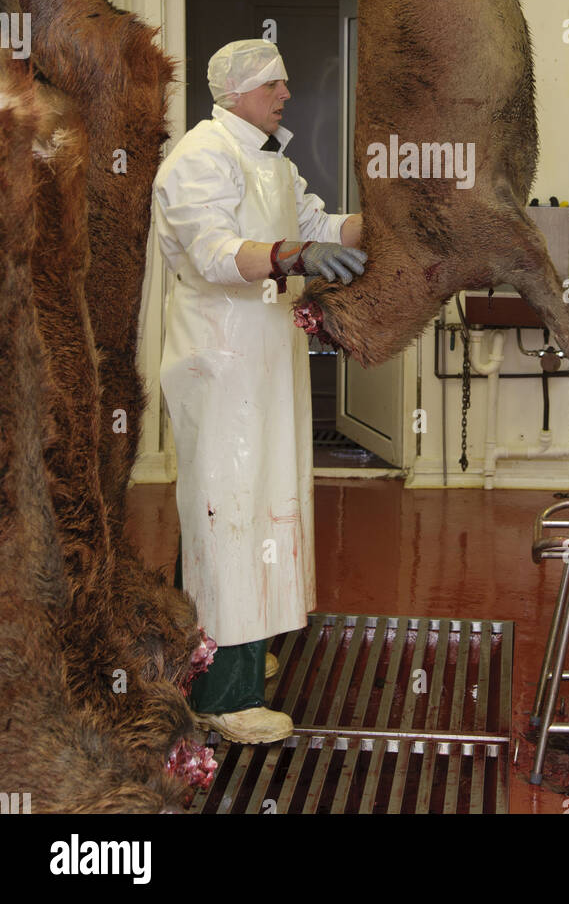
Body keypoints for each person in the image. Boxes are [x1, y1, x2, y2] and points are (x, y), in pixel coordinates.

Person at [153, 38, 366, 744]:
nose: (285, 94)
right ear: (239, 90)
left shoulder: (268, 159)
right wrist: (292, 256)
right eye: (274, 84)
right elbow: (213, 253)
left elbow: (316, 224)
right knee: (227, 509)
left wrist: (392, 220)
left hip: (266, 354)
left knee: (248, 504)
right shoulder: (200, 156)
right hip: (221, 357)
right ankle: (223, 694)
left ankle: (221, 645)